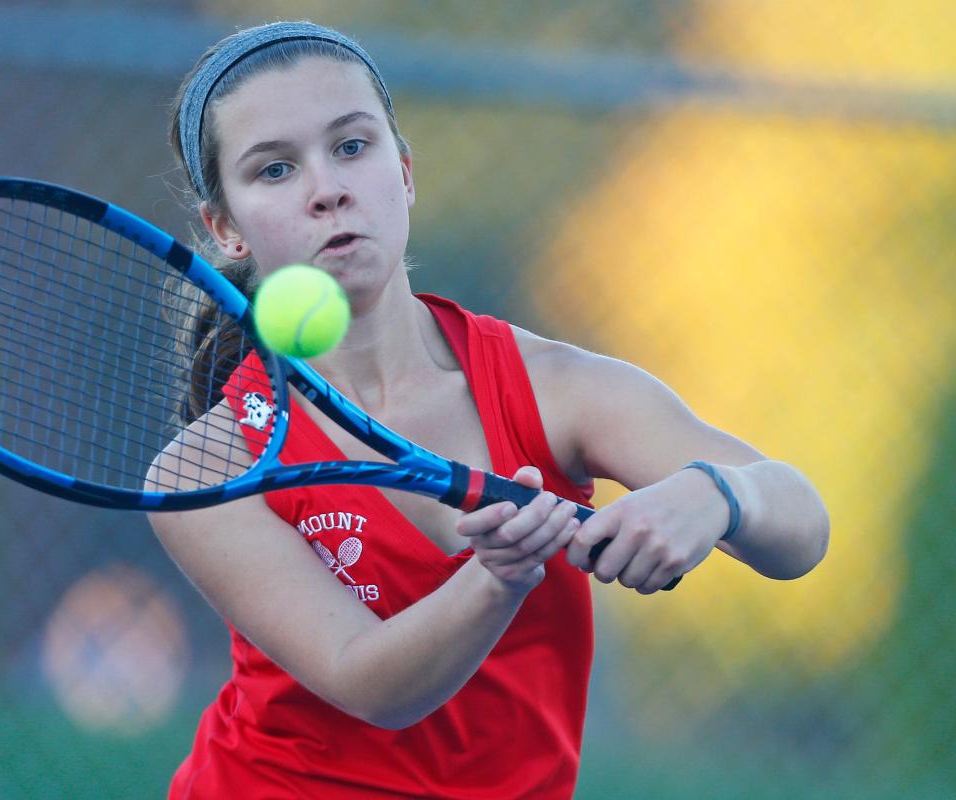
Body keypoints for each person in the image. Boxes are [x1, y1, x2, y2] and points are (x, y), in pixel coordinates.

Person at [149, 20, 829, 799]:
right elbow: (373, 685)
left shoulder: (554, 387)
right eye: (274, 170)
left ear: (403, 172)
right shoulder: (207, 468)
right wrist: (497, 578)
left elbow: (802, 527)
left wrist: (719, 493)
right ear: (225, 228)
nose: (326, 188)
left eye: (351, 147)